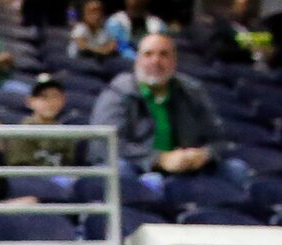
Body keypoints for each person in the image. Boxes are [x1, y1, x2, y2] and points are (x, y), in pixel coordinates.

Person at [92, 30, 226, 177]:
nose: (156, 61)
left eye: (164, 54)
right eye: (148, 54)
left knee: (234, 169)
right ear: (137, 60)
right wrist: (160, 159)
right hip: (139, 172)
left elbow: (219, 139)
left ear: (174, 61)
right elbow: (104, 146)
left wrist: (204, 154)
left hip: (187, 172)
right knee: (123, 170)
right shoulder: (116, 93)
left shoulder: (192, 91)